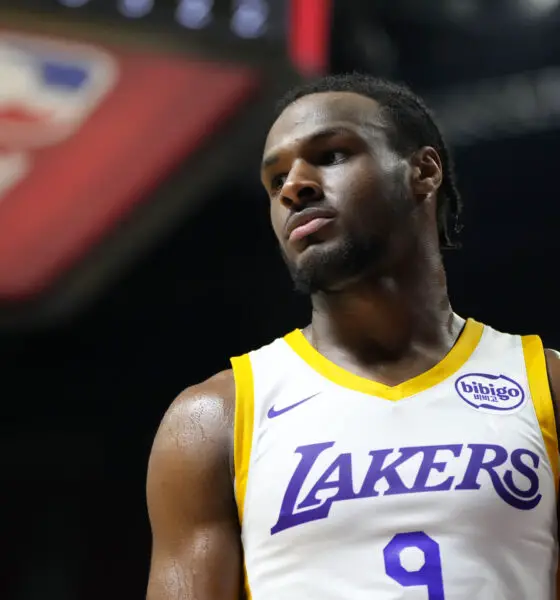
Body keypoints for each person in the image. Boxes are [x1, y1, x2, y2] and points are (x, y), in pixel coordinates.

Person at [145, 73, 560, 600]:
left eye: (332, 154)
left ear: (424, 172)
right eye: (275, 182)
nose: (295, 186)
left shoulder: (545, 384)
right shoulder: (213, 420)